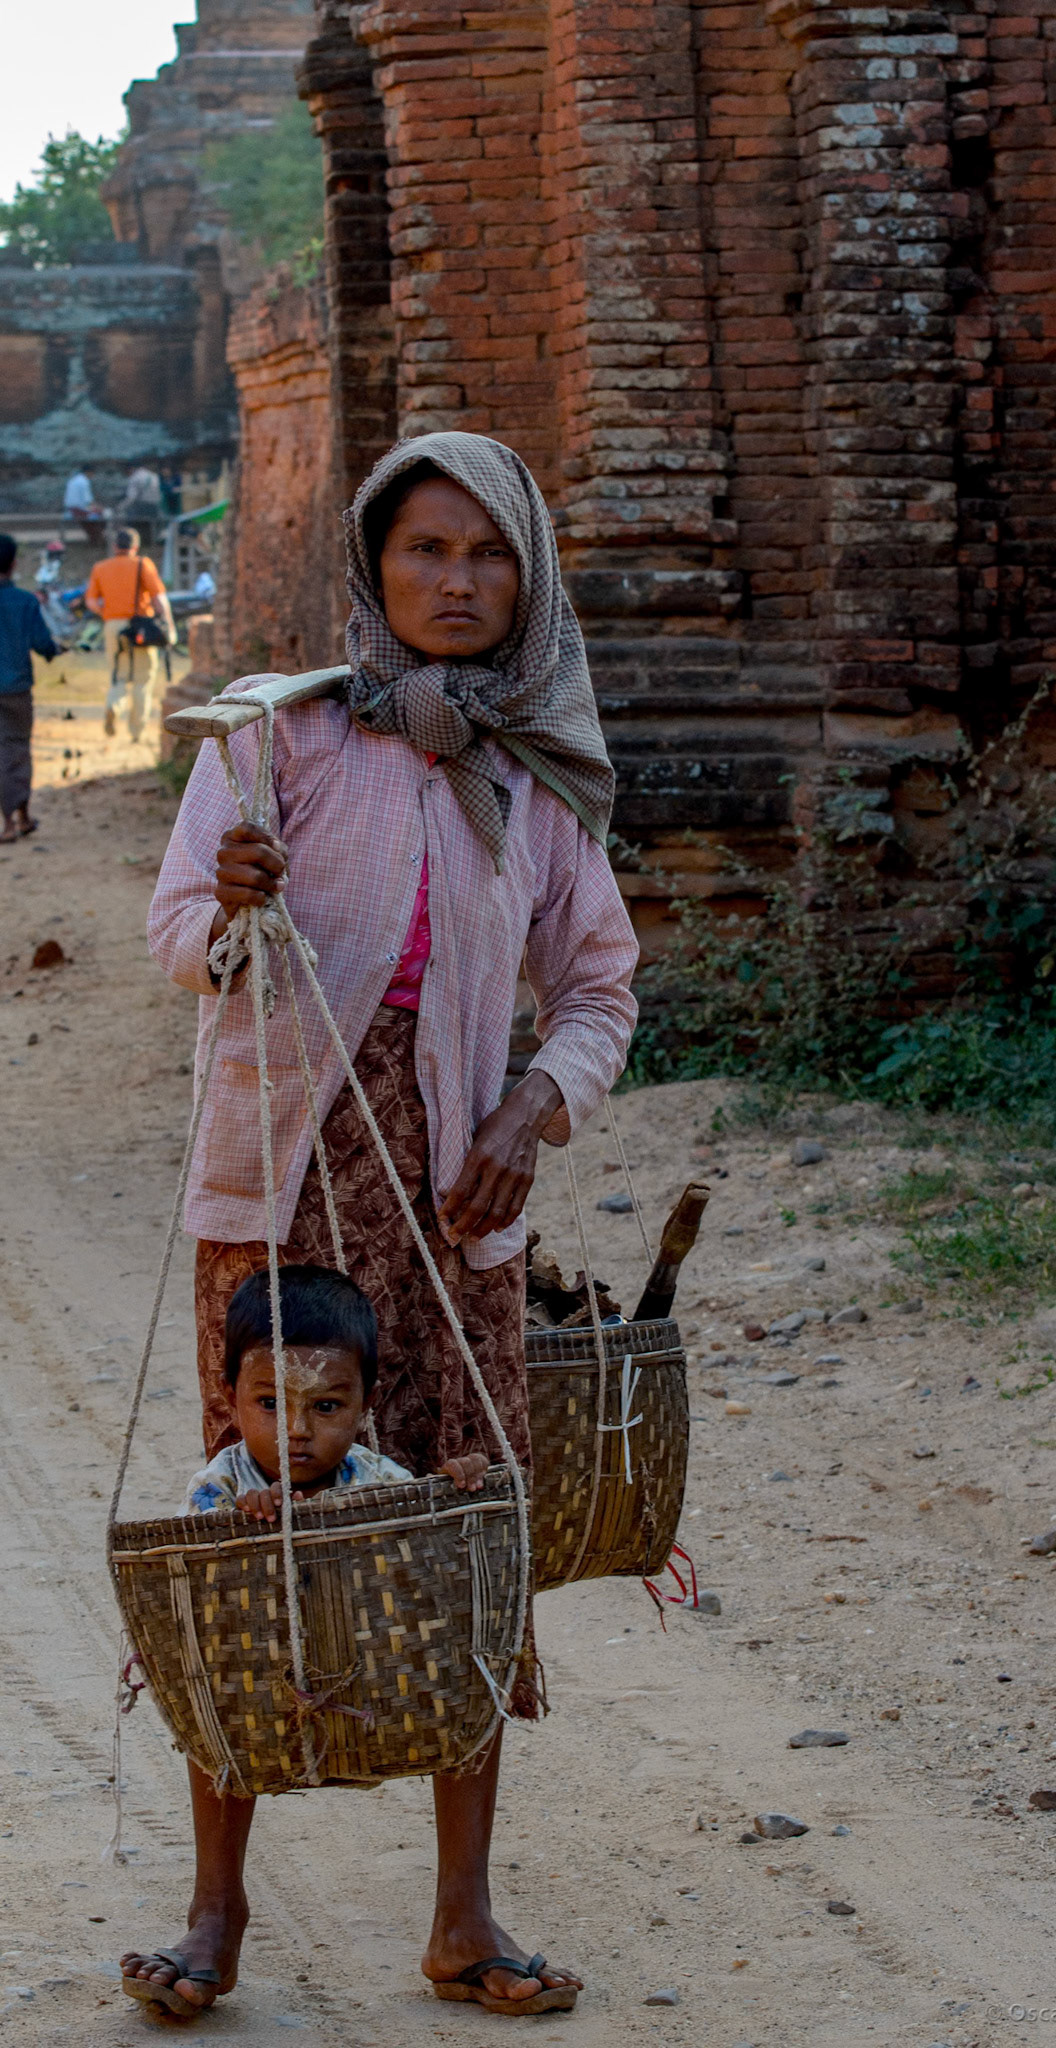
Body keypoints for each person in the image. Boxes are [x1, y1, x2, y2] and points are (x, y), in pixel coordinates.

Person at [136, 430, 639, 2022]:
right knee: (256, 1541)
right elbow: (173, 947)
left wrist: (520, 1114)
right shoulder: (279, 742)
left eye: (489, 557)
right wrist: (229, 901)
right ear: (372, 565)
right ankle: (212, 1918)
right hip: (282, 1205)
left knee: (458, 1548)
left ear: (528, 582)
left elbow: (602, 994)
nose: (455, 582)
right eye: (424, 550)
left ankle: (464, 1923)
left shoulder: (536, 782)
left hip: (456, 1219)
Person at [181, 1264, 487, 1520]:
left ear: (366, 1402)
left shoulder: (382, 1484)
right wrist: (244, 1527)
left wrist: (454, 1493)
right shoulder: (218, 1489)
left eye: (326, 1406)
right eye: (271, 1403)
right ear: (232, 1399)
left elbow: (423, 1551)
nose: (297, 1430)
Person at [85, 526, 175, 742]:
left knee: (119, 674)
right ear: (135, 547)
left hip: (113, 626)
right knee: (143, 679)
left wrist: (106, 613)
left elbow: (90, 602)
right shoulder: (143, 565)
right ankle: (137, 732)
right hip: (140, 627)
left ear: (115, 547)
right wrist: (169, 625)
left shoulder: (100, 568)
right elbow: (159, 598)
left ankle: (113, 706)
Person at [0, 532, 58, 844]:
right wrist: (54, 650)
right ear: (13, 563)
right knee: (16, 750)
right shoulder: (24, 601)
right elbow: (41, 643)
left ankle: (11, 820)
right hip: (15, 689)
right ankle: (17, 818)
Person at [122, 462, 162, 544]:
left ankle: (137, 544)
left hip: (141, 507)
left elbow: (131, 497)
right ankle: (152, 544)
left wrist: (121, 507)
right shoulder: (154, 476)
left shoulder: (135, 477)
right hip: (155, 506)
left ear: (130, 469)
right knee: (152, 528)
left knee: (137, 528)